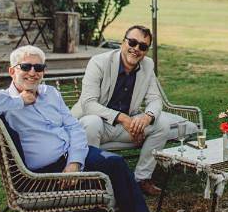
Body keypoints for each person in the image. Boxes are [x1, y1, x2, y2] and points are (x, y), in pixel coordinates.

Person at [0, 45, 187, 212]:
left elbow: (74, 128)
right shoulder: (4, 101)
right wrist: (20, 100)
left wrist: (74, 162)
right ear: (12, 71)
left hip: (70, 158)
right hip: (43, 173)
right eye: (26, 66)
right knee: (115, 172)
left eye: (38, 67)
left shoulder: (50, 93)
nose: (32, 72)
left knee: (115, 163)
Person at [71, 25, 170, 197]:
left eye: (143, 46)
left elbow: (155, 99)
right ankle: (91, 180)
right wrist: (123, 118)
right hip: (95, 124)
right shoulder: (99, 62)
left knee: (161, 124)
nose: (136, 49)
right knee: (92, 122)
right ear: (122, 43)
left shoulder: (147, 65)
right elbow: (88, 104)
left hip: (125, 125)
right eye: (132, 42)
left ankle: (141, 179)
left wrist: (146, 118)